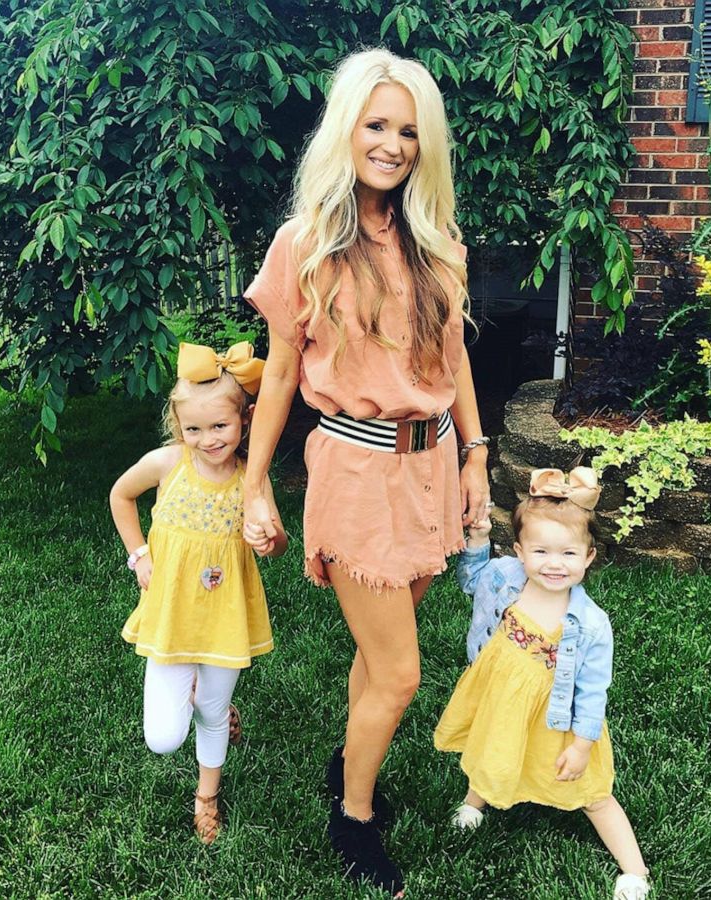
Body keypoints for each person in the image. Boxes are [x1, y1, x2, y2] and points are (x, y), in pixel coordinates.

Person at [239, 47, 491, 896]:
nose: (391, 144)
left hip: (434, 472)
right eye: (377, 125)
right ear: (347, 127)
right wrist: (254, 479)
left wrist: (479, 456)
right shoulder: (304, 244)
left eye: (409, 132)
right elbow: (279, 372)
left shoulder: (437, 243)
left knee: (377, 656)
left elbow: (453, 364)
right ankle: (353, 817)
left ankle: (349, 757)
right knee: (402, 671)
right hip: (354, 469)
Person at [433, 467, 652, 900]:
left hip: (558, 718)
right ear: (519, 552)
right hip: (504, 699)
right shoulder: (506, 578)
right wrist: (477, 541)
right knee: (495, 746)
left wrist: (582, 745)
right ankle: (475, 803)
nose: (555, 564)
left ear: (589, 558)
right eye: (541, 551)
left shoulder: (591, 625)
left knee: (592, 793)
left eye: (569, 554)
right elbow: (472, 582)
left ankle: (635, 871)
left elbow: (592, 691)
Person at [109, 341, 287, 845]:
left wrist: (269, 537)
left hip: (226, 616)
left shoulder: (252, 480)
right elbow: (120, 495)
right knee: (163, 739)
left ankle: (206, 794)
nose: (208, 439)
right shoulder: (168, 464)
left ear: (245, 420)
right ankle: (213, 706)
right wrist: (138, 554)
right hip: (172, 615)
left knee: (209, 711)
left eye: (220, 427)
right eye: (194, 429)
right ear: (178, 427)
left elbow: (277, 544)